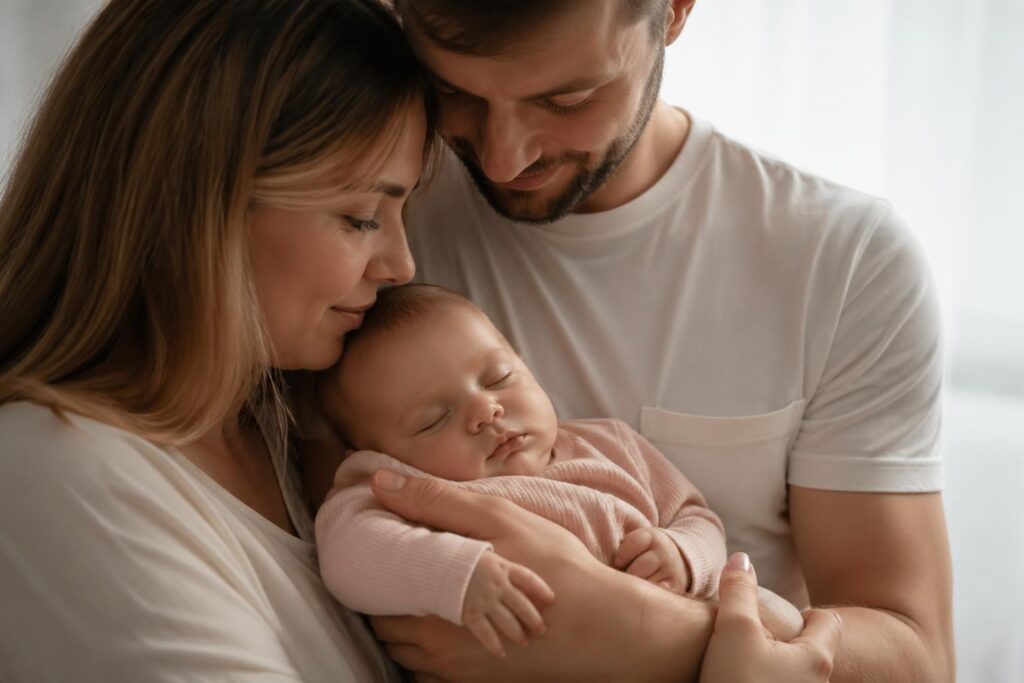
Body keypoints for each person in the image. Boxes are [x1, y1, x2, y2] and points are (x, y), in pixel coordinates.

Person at [0, 0, 842, 681]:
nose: (403, 263)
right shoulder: (54, 471)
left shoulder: (278, 432)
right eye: (362, 215)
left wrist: (651, 628)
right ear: (194, 206)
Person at [360, 0, 955, 680]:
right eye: (454, 92)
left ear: (673, 12)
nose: (503, 157)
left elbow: (918, 660)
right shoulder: (373, 219)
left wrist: (638, 633)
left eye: (566, 98)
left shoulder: (842, 262)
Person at [312, 283, 751, 655]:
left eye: (499, 378)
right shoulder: (398, 489)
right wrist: (454, 574)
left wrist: (684, 554)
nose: (486, 409)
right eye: (434, 420)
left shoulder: (610, 445)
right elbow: (348, 551)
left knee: (772, 616)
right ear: (374, 455)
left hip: (678, 636)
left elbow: (696, 517)